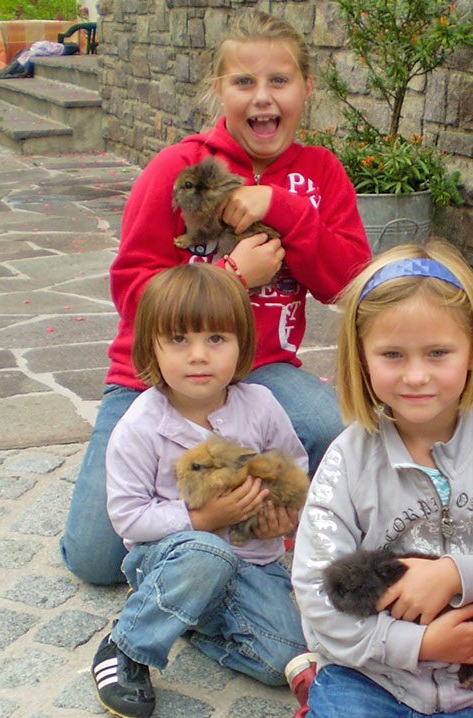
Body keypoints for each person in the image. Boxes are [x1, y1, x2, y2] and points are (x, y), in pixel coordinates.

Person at [60, 10, 370, 586]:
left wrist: (284, 209)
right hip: (152, 375)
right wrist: (230, 277)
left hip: (258, 373)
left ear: (306, 88)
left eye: (279, 81)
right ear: (218, 89)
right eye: (244, 82)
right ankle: (187, 530)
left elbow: (349, 281)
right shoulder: (178, 169)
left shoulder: (320, 176)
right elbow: (133, 287)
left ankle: (290, 533)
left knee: (325, 425)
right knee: (96, 562)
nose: (262, 98)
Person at [291, 242, 473, 717]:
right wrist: (420, 643)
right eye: (392, 354)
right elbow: (318, 594)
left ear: (472, 351)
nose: (415, 376)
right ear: (362, 359)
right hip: (375, 679)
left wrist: (458, 574)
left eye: (437, 353)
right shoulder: (348, 459)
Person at [90, 263, 311, 718]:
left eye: (216, 339)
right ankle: (127, 645)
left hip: (254, 564)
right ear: (150, 345)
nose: (198, 356)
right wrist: (201, 521)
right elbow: (128, 516)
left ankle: (188, 617)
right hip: (173, 556)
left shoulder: (261, 406)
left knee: (283, 656)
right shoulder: (142, 425)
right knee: (207, 554)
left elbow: (295, 466)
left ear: (241, 343)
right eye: (179, 340)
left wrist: (286, 515)